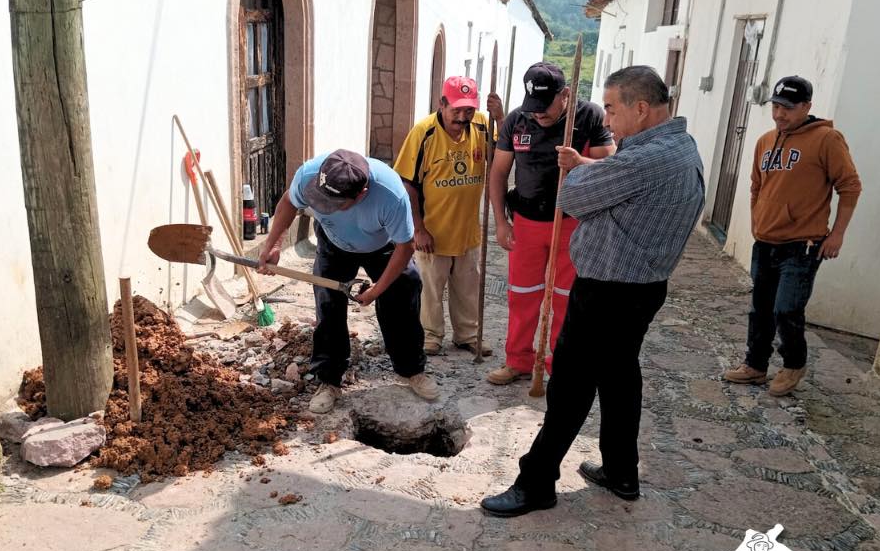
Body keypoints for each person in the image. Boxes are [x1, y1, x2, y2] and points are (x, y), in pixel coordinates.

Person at [481, 66, 705, 517]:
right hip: (642, 284)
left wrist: (580, 172)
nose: (608, 117)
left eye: (613, 107)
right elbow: (606, 178)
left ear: (641, 109)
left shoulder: (645, 159)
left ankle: (537, 481)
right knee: (620, 376)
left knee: (571, 385)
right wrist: (591, 167)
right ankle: (622, 471)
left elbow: (572, 196)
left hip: (610, 288)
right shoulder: (677, 145)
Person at [257, 149, 439, 414]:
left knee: (403, 293)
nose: (322, 206)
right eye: (320, 199)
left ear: (361, 194)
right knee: (328, 306)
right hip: (334, 243)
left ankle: (411, 369)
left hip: (383, 244)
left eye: (333, 203)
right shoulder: (309, 173)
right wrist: (273, 244)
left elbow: (405, 246)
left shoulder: (391, 195)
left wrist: (378, 289)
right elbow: (288, 203)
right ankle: (329, 380)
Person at [723, 76, 861, 396]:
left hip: (804, 244)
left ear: (806, 107)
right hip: (767, 241)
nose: (779, 114)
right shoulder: (765, 141)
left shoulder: (827, 139)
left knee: (786, 308)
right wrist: (759, 219)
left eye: (787, 107)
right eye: (775, 106)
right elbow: (757, 185)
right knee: (760, 307)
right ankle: (755, 365)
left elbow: (850, 187)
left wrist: (837, 234)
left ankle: (793, 364)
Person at [486, 61, 615, 385]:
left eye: (545, 107)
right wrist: (501, 222)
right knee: (522, 294)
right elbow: (499, 172)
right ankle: (518, 360)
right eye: (534, 107)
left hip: (572, 222)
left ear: (566, 94)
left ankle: (560, 364)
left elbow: (614, 168)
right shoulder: (516, 120)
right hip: (527, 222)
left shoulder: (590, 117)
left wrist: (580, 163)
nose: (538, 114)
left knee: (565, 296)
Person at [393, 76, 502, 356]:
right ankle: (431, 335)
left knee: (467, 285)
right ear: (442, 103)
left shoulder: (481, 124)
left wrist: (500, 119)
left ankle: (467, 334)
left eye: (468, 110)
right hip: (433, 230)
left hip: (467, 228)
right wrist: (418, 229)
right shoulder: (423, 133)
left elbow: (501, 156)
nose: (463, 117)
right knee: (431, 287)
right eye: (457, 110)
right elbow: (407, 184)